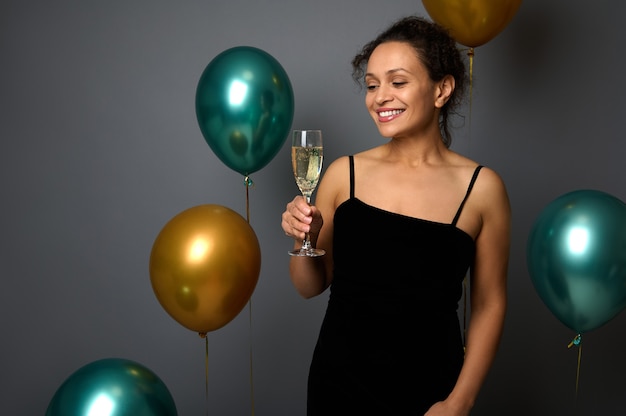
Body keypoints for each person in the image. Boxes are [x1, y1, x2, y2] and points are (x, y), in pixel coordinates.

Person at [281, 15, 510, 416]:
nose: (380, 97)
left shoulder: (482, 188)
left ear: (442, 89)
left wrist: (460, 402)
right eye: (371, 85)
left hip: (431, 393)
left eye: (398, 82)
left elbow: (489, 303)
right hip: (338, 387)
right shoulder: (343, 173)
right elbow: (308, 287)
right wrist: (303, 239)